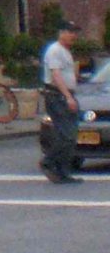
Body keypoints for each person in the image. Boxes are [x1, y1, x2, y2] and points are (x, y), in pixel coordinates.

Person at [40, 18, 83, 184]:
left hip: (65, 95)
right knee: (65, 134)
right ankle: (49, 163)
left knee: (70, 136)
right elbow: (56, 75)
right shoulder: (54, 50)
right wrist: (68, 96)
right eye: (71, 32)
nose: (74, 36)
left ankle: (63, 172)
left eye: (75, 33)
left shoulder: (66, 51)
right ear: (62, 33)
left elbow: (66, 74)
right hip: (57, 96)